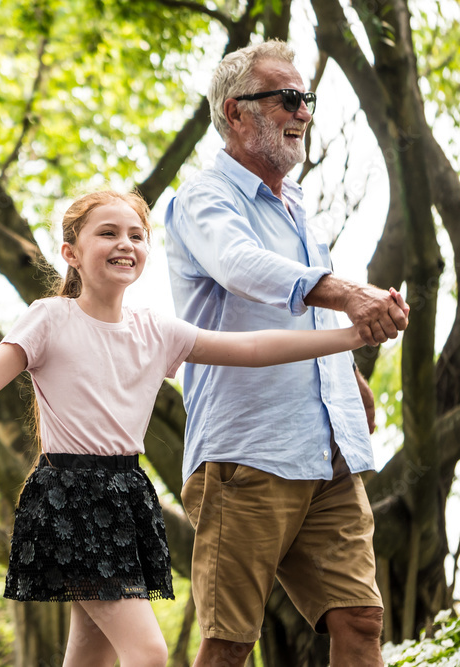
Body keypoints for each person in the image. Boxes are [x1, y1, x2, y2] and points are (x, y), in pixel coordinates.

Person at [0, 189, 381, 667]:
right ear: (70, 253)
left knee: (90, 656)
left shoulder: (157, 330)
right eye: (108, 233)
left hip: (126, 498)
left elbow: (256, 347)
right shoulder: (50, 319)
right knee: (147, 653)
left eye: (137, 235)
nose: (126, 243)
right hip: (70, 498)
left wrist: (351, 337)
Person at [164, 41, 410, 667]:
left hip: (327, 450)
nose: (303, 111)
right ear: (236, 112)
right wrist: (351, 292)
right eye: (288, 98)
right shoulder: (203, 198)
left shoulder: (297, 203)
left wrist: (348, 374)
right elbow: (244, 267)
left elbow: (309, 302)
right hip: (248, 453)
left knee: (359, 618)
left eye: (307, 99)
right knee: (228, 642)